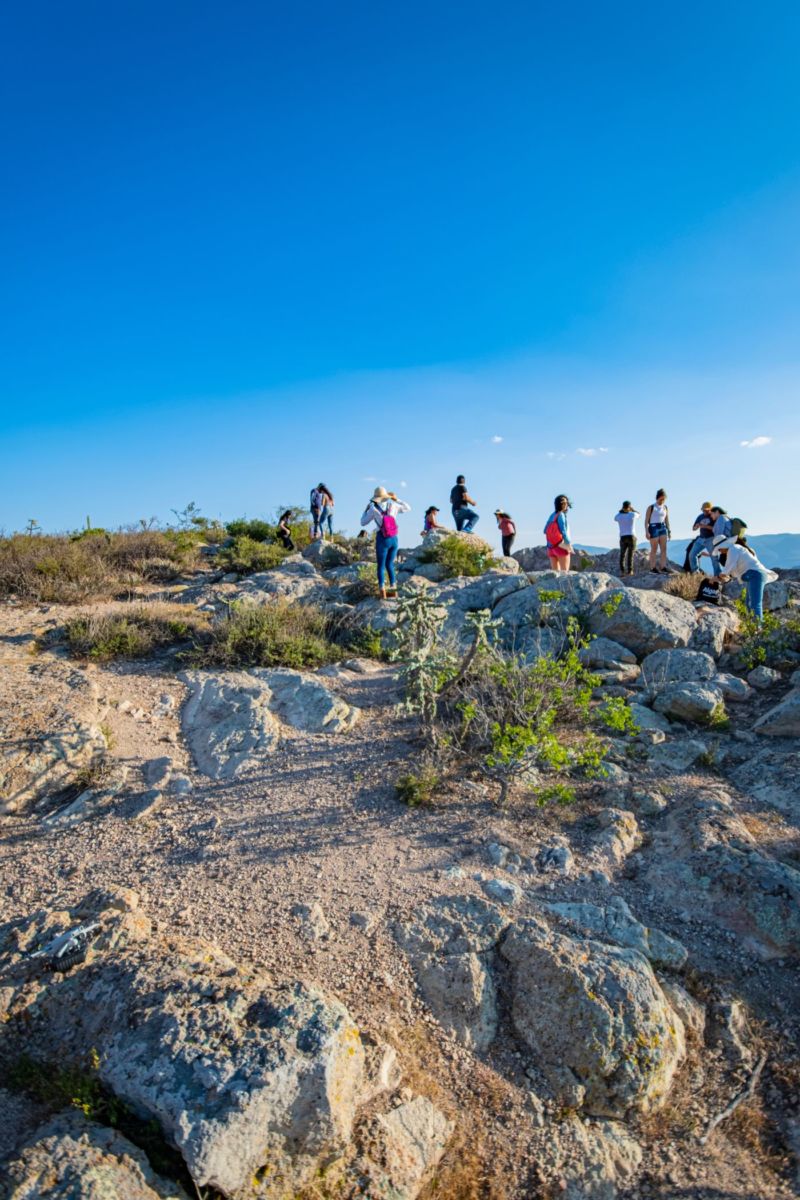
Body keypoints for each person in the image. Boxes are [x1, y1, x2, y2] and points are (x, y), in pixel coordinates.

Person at [361, 486, 411, 599]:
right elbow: (408, 508)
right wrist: (396, 499)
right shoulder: (393, 505)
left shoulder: (373, 509)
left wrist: (365, 510)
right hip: (394, 539)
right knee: (390, 564)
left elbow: (363, 522)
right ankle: (393, 590)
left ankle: (382, 591)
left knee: (381, 566)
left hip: (382, 539)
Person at [716, 535, 777, 621]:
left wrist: (716, 577)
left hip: (755, 575)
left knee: (755, 604)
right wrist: (725, 575)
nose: (720, 551)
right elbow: (732, 571)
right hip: (754, 575)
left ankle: (757, 626)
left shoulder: (733, 549)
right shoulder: (736, 548)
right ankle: (751, 624)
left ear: (723, 545)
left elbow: (727, 568)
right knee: (748, 603)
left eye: (719, 549)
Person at [544, 495, 572, 572]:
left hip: (550, 548)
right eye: (565, 503)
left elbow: (545, 530)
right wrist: (568, 545)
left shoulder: (552, 515)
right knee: (564, 573)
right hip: (561, 546)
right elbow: (563, 532)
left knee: (555, 574)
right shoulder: (561, 515)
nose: (566, 505)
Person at [645, 489, 671, 573]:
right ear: (657, 497)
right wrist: (647, 532)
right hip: (653, 527)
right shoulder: (651, 507)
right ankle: (652, 568)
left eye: (664, 499)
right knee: (654, 548)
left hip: (663, 527)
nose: (662, 501)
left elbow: (667, 520)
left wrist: (669, 530)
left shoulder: (665, 507)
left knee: (664, 548)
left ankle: (663, 566)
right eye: (661, 499)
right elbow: (646, 521)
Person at [687, 501, 714, 572]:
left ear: (710, 509)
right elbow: (693, 529)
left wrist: (705, 526)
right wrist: (696, 526)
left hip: (710, 538)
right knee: (692, 555)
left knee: (714, 557)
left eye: (706, 510)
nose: (705, 511)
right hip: (701, 538)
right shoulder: (700, 516)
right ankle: (695, 572)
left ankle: (718, 574)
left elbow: (715, 528)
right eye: (703, 510)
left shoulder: (713, 516)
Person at [613, 501, 639, 576]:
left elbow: (615, 518)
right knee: (630, 554)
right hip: (631, 536)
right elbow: (639, 514)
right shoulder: (633, 514)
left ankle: (622, 571)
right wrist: (633, 509)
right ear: (629, 507)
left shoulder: (619, 516)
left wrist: (621, 511)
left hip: (623, 536)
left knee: (622, 555)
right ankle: (630, 571)